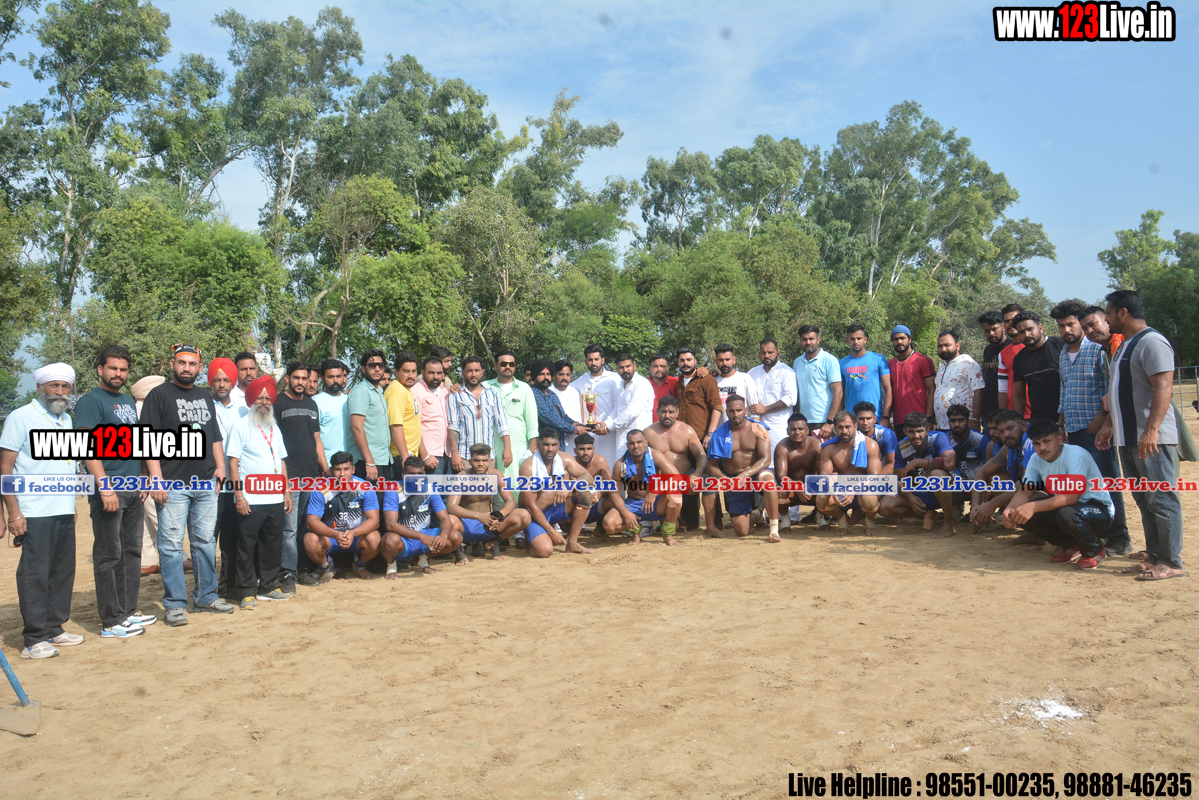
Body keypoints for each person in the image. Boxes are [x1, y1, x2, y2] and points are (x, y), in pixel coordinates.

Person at [140, 344, 232, 625]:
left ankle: (206, 596)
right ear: (172, 365)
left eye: (192, 364)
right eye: (182, 363)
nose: (187, 368)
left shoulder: (205, 396)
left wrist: (220, 468)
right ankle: (175, 604)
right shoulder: (159, 395)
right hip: (172, 482)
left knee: (205, 542)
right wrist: (155, 477)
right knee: (170, 545)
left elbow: (214, 436)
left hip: (205, 482)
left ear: (200, 368)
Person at [1097, 290, 1184, 580]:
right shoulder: (1125, 345)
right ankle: (1155, 555)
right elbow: (1119, 391)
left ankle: (1171, 562)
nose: (1107, 320)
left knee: (1161, 499)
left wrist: (1152, 430)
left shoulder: (1152, 341)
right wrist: (1110, 425)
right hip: (1129, 438)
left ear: (1123, 312)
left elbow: (1164, 387)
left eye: (1109, 313)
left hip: (1150, 440)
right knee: (1145, 500)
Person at [1, 363, 86, 658]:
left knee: (62, 571)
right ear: (40, 388)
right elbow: (5, 467)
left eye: (65, 387)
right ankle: (34, 638)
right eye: (54, 386)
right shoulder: (20, 417)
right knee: (34, 573)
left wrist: (70, 504)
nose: (60, 392)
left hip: (62, 508)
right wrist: (13, 512)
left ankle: (54, 628)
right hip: (33, 510)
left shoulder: (66, 419)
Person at [75, 346, 155, 638]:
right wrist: (104, 487)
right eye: (112, 368)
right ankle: (111, 621)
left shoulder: (126, 400)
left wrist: (144, 475)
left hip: (133, 488)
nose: (118, 374)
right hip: (109, 488)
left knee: (132, 552)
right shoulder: (91, 401)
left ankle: (128, 611)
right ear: (100, 370)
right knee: (109, 555)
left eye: (123, 369)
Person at [1052, 299, 1130, 555]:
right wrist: (1060, 425)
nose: (1066, 330)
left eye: (1070, 324)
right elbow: (1064, 391)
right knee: (1083, 486)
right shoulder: (1063, 354)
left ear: (1081, 324)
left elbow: (1111, 388)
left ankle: (1119, 538)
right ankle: (1093, 536)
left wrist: (1103, 420)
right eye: (1061, 326)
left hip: (1097, 432)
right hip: (1073, 431)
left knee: (1107, 482)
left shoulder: (1098, 350)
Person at [1003, 418, 1115, 571]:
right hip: (1068, 508)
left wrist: (1033, 507)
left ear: (1059, 439)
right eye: (1037, 443)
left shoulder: (1075, 455)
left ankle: (1095, 550)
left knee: (1066, 514)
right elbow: (1024, 490)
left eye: (1047, 441)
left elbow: (1072, 497)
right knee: (1021, 513)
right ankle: (1071, 546)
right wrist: (1010, 509)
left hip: (1098, 511)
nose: (1042, 448)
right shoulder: (1036, 459)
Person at [227, 375, 293, 609]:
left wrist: (286, 492)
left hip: (274, 497)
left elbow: (281, 461)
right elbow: (233, 463)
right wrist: (239, 496)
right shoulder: (241, 426)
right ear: (251, 400)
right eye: (259, 398)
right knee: (246, 546)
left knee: (272, 545)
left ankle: (268, 587)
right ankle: (246, 592)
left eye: (267, 398)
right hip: (250, 498)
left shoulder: (274, 427)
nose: (264, 402)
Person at [274, 362, 328, 594]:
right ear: (288, 378)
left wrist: (324, 468)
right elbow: (273, 441)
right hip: (289, 475)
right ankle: (286, 573)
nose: (300, 382)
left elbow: (316, 439)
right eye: (296, 377)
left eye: (304, 378)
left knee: (306, 526)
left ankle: (302, 569)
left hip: (311, 475)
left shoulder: (311, 404)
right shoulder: (278, 402)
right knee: (288, 529)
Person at [705, 395, 779, 541]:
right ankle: (758, 512)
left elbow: (766, 459)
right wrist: (725, 479)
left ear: (745, 410)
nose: (736, 414)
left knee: (769, 481)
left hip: (757, 472)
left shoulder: (758, 428)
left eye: (739, 410)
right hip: (734, 478)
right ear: (727, 412)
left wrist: (745, 474)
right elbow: (712, 465)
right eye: (732, 411)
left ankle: (774, 529)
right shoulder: (718, 434)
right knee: (741, 531)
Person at [519, 428, 598, 557]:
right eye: (546, 445)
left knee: (584, 494)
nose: (550, 449)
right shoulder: (528, 467)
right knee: (545, 551)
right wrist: (552, 531)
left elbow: (588, 477)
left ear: (558, 445)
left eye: (554, 445)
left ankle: (572, 543)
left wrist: (567, 487)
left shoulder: (564, 459)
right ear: (538, 445)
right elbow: (530, 505)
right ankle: (533, 536)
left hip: (554, 509)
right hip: (533, 514)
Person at [304, 451, 381, 581]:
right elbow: (311, 522)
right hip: (330, 537)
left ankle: (359, 566)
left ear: (353, 469)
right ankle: (327, 567)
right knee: (310, 540)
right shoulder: (320, 489)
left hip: (356, 537)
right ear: (331, 470)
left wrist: (353, 533)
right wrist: (335, 534)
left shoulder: (365, 487)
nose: (342, 474)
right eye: (337, 469)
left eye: (346, 469)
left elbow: (374, 520)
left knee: (375, 539)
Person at [446, 443, 531, 559]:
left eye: (484, 460)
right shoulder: (461, 477)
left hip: (489, 524)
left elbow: (510, 501)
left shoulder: (497, 475)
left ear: (490, 462)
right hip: (466, 525)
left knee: (523, 515)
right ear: (470, 462)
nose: (481, 464)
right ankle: (459, 551)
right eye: (477, 460)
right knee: (449, 520)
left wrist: (499, 516)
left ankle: (493, 543)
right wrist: (478, 516)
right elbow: (451, 507)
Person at [380, 457, 463, 576]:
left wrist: (443, 536)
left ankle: (421, 559)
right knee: (390, 539)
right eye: (411, 474)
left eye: (420, 474)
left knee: (455, 537)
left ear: (424, 474)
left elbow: (445, 518)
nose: (416, 478)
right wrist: (421, 536)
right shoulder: (393, 489)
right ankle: (391, 566)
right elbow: (390, 525)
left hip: (424, 537)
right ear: (403, 474)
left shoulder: (431, 489)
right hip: (403, 539)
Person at [878, 413, 957, 537]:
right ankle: (929, 514)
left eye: (920, 431)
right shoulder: (901, 447)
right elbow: (898, 479)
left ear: (927, 430)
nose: (916, 436)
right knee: (885, 507)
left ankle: (949, 524)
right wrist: (910, 497)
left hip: (947, 491)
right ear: (905, 431)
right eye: (911, 432)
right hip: (920, 491)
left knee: (938, 475)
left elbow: (949, 463)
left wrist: (917, 462)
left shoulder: (938, 438)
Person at [603, 429, 682, 545]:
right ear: (627, 445)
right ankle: (636, 529)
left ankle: (668, 534)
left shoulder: (655, 456)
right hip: (633, 504)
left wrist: (653, 493)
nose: (636, 446)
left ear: (645, 443)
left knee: (676, 494)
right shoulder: (621, 464)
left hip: (656, 502)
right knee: (608, 525)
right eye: (632, 443)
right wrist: (625, 513)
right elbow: (614, 493)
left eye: (639, 442)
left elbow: (677, 478)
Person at [671, 347, 722, 530]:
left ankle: (715, 522)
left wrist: (710, 434)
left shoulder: (706, 380)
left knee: (707, 479)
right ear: (678, 363)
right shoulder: (678, 382)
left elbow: (717, 407)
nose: (685, 363)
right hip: (683, 442)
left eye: (689, 359)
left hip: (703, 439)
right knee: (687, 479)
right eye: (682, 360)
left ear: (695, 361)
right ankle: (690, 522)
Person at [207, 357, 244, 598]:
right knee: (208, 539)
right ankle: (207, 587)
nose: (222, 384)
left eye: (226, 380)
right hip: (210, 483)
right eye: (217, 380)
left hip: (236, 484)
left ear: (233, 382)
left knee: (231, 539)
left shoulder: (243, 408)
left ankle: (228, 586)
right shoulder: (203, 406)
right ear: (210, 382)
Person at [969, 409, 1037, 539]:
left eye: (1010, 428)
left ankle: (1036, 533)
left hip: (1051, 492)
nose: (1006, 434)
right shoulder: (1008, 447)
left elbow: (1027, 483)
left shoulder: (1032, 444)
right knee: (996, 479)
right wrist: (975, 506)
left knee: (1033, 492)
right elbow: (982, 472)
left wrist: (991, 505)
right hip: (1027, 488)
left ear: (1023, 426)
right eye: (1001, 431)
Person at [643, 395, 707, 527]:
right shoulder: (648, 433)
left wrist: (697, 473)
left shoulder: (687, 430)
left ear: (677, 412)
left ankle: (710, 522)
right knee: (674, 527)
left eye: (671, 412)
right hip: (662, 483)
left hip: (685, 478)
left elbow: (701, 456)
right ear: (657, 412)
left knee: (703, 484)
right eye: (663, 411)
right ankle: (665, 518)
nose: (667, 415)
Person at [814, 410, 883, 534]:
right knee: (821, 499)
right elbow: (825, 476)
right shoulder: (829, 449)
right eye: (840, 427)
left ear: (855, 426)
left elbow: (874, 477)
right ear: (835, 428)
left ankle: (869, 520)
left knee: (869, 498)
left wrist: (854, 489)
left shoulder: (870, 445)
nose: (844, 431)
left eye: (847, 427)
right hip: (842, 488)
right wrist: (834, 489)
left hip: (864, 488)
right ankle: (842, 519)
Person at [447, 355, 513, 475]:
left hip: (488, 457)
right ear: (463, 373)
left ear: (482, 372)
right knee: (466, 487)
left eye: (477, 370)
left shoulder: (492, 393)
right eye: (469, 371)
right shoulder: (455, 395)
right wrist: (455, 454)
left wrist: (507, 448)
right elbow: (453, 427)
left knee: (489, 487)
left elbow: (502, 423)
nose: (473, 374)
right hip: (466, 457)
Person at [484, 351, 539, 492]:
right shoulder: (485, 387)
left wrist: (532, 449)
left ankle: (516, 504)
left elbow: (532, 420)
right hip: (492, 442)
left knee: (517, 478)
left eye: (511, 364)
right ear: (496, 366)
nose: (507, 367)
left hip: (518, 443)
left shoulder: (524, 388)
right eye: (503, 364)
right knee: (492, 477)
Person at [131, 374, 166, 576]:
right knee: (161, 516)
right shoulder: (144, 411)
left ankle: (147, 561)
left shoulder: (133, 410)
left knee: (145, 519)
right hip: (150, 473)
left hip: (137, 473)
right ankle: (181, 557)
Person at [570, 344, 622, 467]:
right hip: (588, 434)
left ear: (602, 360)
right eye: (590, 360)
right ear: (585, 362)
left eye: (596, 359)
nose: (593, 363)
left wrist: (607, 425)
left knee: (609, 465)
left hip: (608, 433)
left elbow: (619, 404)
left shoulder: (614, 379)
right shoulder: (579, 382)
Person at [347, 349, 393, 484]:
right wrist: (370, 461)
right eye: (372, 365)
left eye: (380, 365)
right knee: (371, 498)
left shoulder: (379, 391)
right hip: (368, 462)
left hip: (383, 459)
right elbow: (356, 427)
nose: (377, 369)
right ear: (363, 369)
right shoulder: (361, 391)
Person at [1011, 310, 1066, 421]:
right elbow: (1019, 395)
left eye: (1030, 329)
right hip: (1039, 421)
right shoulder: (1019, 359)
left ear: (1040, 328)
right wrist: (1018, 421)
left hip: (1066, 417)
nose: (1027, 334)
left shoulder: (1061, 345)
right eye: (1021, 332)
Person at [748, 338, 797, 455]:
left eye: (770, 352)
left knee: (779, 458)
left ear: (777, 353)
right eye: (763, 352)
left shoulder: (786, 372)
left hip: (779, 427)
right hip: (756, 426)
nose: (767, 355)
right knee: (760, 458)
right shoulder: (752, 373)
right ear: (759, 354)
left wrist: (765, 409)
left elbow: (791, 398)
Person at [793, 325, 843, 438]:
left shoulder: (829, 360)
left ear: (818, 340)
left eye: (811, 339)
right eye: (804, 339)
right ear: (800, 341)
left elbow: (838, 391)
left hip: (823, 421)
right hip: (803, 422)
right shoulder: (797, 362)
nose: (808, 342)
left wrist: (830, 421)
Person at [773, 413, 821, 530]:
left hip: (812, 489)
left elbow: (822, 473)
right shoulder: (782, 447)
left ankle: (820, 517)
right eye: (793, 429)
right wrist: (798, 487)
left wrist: (808, 487)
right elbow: (781, 477)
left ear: (807, 430)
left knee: (826, 488)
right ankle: (785, 519)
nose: (797, 432)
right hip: (792, 490)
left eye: (801, 429)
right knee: (779, 491)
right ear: (787, 431)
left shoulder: (816, 445)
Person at [932, 330, 984, 431]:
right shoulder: (942, 367)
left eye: (947, 345)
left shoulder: (968, 364)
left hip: (962, 426)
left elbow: (979, 391)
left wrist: (975, 419)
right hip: (942, 426)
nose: (943, 349)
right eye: (940, 346)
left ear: (958, 346)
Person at [839, 325, 891, 423]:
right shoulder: (841, 364)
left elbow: (888, 389)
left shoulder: (878, 359)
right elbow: (839, 393)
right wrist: (840, 418)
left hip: (875, 418)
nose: (856, 342)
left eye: (859, 338)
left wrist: (886, 417)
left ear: (865, 340)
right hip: (852, 420)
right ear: (848, 341)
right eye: (852, 339)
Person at [887, 325, 935, 429]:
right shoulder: (890, 364)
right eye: (896, 339)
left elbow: (932, 389)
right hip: (899, 421)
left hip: (921, 420)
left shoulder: (923, 360)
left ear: (909, 339)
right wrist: (887, 418)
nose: (899, 342)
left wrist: (929, 417)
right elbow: (889, 392)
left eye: (902, 338)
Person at [413, 355, 451, 477]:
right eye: (431, 373)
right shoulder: (416, 392)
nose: (436, 376)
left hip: (447, 453)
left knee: (448, 489)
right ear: (423, 373)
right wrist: (425, 456)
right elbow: (414, 427)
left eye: (439, 373)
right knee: (431, 489)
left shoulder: (445, 392)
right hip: (430, 456)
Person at [384, 351, 424, 467]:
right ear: (396, 372)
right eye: (406, 371)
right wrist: (405, 458)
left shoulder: (405, 389)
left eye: (414, 371)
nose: (411, 375)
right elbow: (395, 426)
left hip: (408, 455)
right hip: (400, 456)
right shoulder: (397, 391)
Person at [609, 353, 656, 452]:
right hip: (621, 437)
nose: (625, 370)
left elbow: (631, 412)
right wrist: (605, 424)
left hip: (638, 439)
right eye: (621, 367)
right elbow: (617, 408)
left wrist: (608, 427)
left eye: (628, 366)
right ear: (617, 369)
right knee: (621, 462)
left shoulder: (641, 383)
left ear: (634, 366)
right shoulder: (620, 386)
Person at [713, 343, 761, 424]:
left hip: (742, 429)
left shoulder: (745, 378)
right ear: (716, 361)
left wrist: (755, 427)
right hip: (719, 430)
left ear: (734, 360)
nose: (724, 363)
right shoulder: (712, 381)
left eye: (727, 359)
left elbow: (754, 409)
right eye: (721, 360)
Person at [997, 304, 1031, 418]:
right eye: (1007, 321)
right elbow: (1003, 389)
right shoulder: (1003, 354)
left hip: (1039, 413)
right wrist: (1002, 417)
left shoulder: (1035, 347)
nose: (1011, 323)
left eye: (1014, 320)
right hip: (1015, 415)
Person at [314, 359, 350, 456]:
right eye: (331, 377)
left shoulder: (349, 400)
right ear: (322, 378)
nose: (335, 381)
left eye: (339, 376)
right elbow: (314, 438)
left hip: (350, 461)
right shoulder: (317, 402)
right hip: (328, 461)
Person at [978, 310, 1009, 417]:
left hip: (1007, 410)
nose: (991, 334)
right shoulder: (988, 350)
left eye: (994, 329)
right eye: (987, 331)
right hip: (989, 411)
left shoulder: (1011, 348)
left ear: (1003, 327)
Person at [854, 401, 898, 474]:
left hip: (882, 474)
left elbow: (892, 464)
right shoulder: (852, 434)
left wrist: (873, 479)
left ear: (874, 419)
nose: (865, 423)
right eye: (861, 419)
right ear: (856, 420)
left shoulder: (885, 434)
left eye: (868, 418)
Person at [549, 360, 584, 453]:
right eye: (561, 374)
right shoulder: (548, 392)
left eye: (568, 375)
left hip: (576, 440)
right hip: (556, 441)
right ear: (554, 375)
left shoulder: (576, 392)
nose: (565, 378)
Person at [647, 354, 677, 423]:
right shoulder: (643, 384)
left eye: (662, 366)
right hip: (649, 427)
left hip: (671, 426)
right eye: (655, 366)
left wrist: (701, 370)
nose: (659, 369)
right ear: (650, 369)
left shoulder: (676, 382)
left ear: (667, 368)